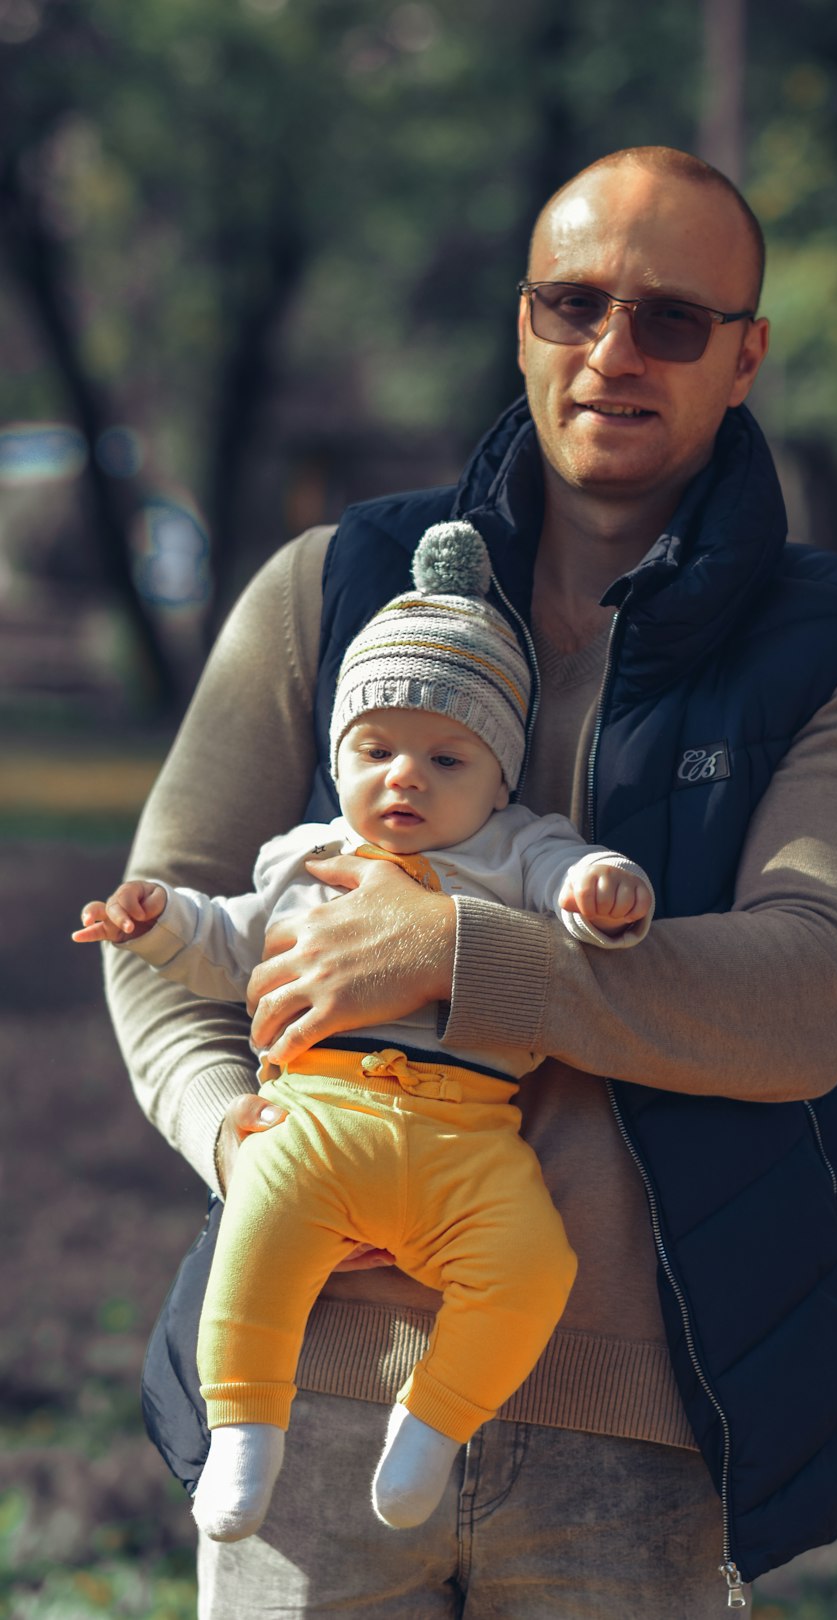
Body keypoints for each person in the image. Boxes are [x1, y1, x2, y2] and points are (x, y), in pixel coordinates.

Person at [106, 145, 837, 1617]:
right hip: (304, 1398)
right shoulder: (327, 585)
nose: (615, 351)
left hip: (643, 1435)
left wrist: (458, 955)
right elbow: (160, 907)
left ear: (746, 358)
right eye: (576, 304)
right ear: (524, 325)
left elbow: (810, 988)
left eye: (672, 320)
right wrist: (242, 1146)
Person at [76, 524, 654, 1542]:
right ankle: (247, 1427)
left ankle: (432, 1422)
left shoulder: (518, 848)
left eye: (446, 757)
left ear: (501, 772)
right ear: (339, 753)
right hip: (317, 1116)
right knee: (252, 1251)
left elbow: (575, 885)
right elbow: (226, 943)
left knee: (531, 1271)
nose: (404, 779)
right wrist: (158, 920)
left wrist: (602, 893)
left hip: (468, 1138)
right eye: (374, 751)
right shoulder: (302, 859)